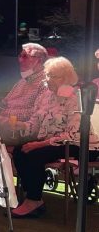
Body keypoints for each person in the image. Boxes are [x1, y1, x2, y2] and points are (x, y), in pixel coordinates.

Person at [11, 57, 99, 218]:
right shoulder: (46, 96)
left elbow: (70, 134)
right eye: (47, 75)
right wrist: (22, 126)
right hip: (52, 142)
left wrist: (39, 144)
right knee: (19, 151)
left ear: (66, 78)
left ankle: (33, 200)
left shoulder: (75, 99)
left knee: (34, 154)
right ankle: (33, 194)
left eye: (53, 76)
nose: (47, 79)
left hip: (78, 143)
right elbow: (36, 120)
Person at [0, 43, 49, 145]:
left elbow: (38, 115)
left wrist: (5, 118)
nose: (20, 60)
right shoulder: (21, 81)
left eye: (25, 56)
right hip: (5, 129)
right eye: (20, 56)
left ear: (39, 60)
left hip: (22, 133)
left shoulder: (46, 83)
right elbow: (4, 103)